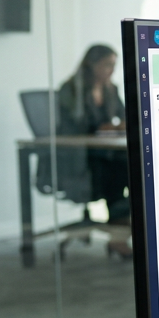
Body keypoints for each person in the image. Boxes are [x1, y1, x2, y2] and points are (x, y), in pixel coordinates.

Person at [57, 45, 133, 255]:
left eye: (113, 65)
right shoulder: (71, 89)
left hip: (105, 154)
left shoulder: (110, 88)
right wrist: (104, 128)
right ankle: (118, 239)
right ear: (92, 65)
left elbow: (125, 115)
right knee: (122, 174)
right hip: (81, 158)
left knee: (127, 169)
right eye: (107, 64)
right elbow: (74, 126)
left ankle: (120, 235)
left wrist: (121, 125)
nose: (111, 70)